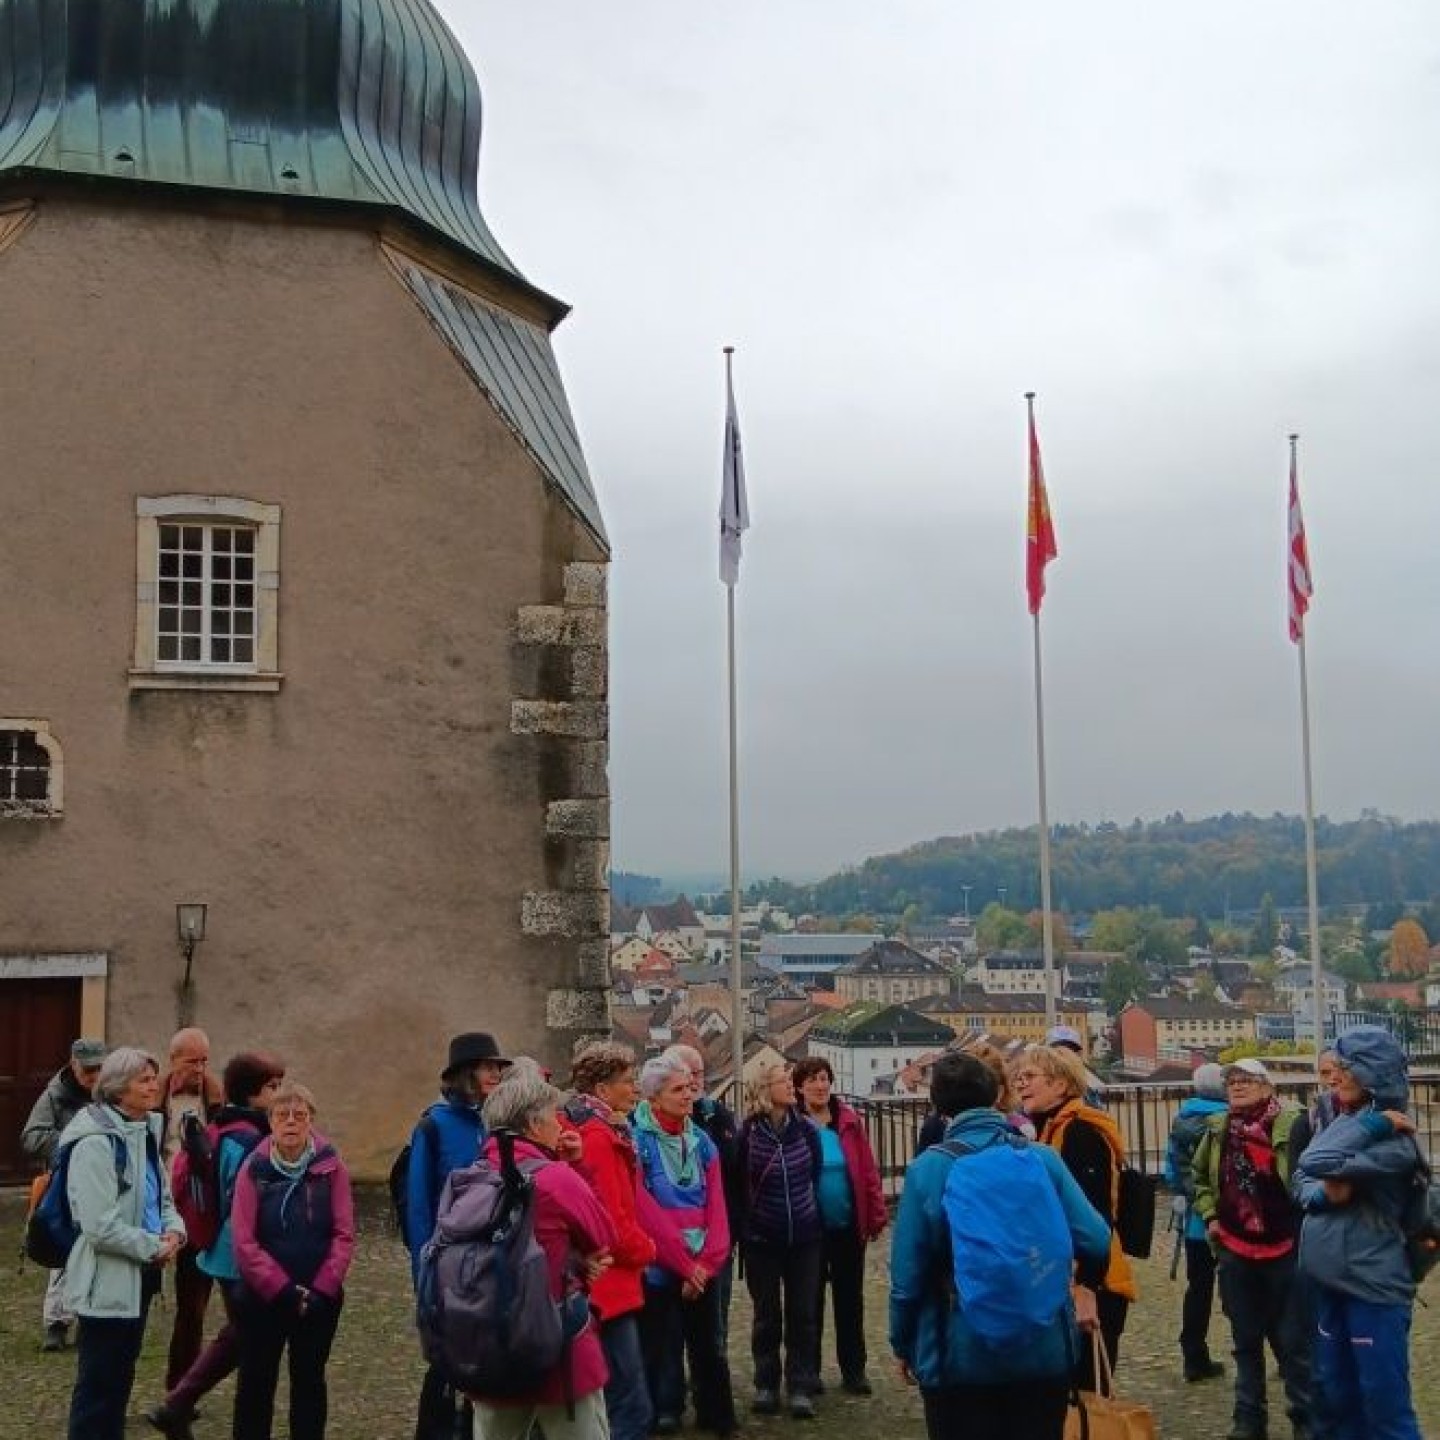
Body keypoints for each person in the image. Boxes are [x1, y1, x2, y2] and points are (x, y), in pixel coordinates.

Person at [889, 1051, 1111, 1440]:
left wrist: (903, 1342)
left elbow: (907, 1277)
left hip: (957, 1350)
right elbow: (1095, 1236)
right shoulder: (1041, 1158)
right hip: (1043, 1347)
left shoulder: (929, 1169)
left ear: (937, 1104)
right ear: (995, 1094)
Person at [463, 1064, 617, 1440]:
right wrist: (576, 1165)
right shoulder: (555, 1178)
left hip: (489, 1341)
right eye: (552, 1117)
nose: (561, 1126)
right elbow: (603, 1234)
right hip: (556, 1344)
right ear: (533, 1125)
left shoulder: (473, 1175)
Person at [144, 1050, 285, 1440]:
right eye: (272, 1087)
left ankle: (177, 1403)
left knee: (242, 1331)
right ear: (252, 1092)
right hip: (241, 1250)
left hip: (222, 1247)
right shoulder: (247, 1139)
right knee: (244, 1333)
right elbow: (250, 1203)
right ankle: (177, 1403)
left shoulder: (221, 1128)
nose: (278, 1095)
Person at [1294, 1025, 1426, 1440]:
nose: (1333, 1076)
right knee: (1334, 1400)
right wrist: (1323, 1199)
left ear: (1373, 1074)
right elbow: (1301, 1177)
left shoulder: (1396, 1140)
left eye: (1345, 1067)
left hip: (1372, 1289)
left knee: (1384, 1410)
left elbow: (1316, 1160)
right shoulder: (1345, 1122)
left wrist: (1374, 1127)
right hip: (1330, 1282)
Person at [61, 1046, 186, 1440]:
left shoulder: (145, 1132)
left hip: (141, 1275)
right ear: (118, 1089)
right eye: (144, 1080)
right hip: (107, 1281)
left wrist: (175, 1231)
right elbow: (99, 1226)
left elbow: (161, 1197)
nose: (154, 1086)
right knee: (98, 1385)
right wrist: (154, 1245)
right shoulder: (95, 1143)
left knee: (120, 1380)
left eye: (154, 1078)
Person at [1192, 1057, 1313, 1440]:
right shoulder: (1217, 1129)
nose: (1237, 1087)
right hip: (1235, 1246)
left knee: (1294, 1342)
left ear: (1267, 1087)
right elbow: (1198, 1177)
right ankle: (1248, 1421)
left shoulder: (1294, 1124)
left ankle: (1306, 1420)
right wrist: (1210, 1217)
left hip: (1286, 1246)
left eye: (1246, 1080)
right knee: (1244, 1340)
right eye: (1231, 1082)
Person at [230, 1080, 355, 1440]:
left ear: (311, 1120)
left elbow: (343, 1234)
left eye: (299, 1115)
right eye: (282, 1114)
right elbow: (244, 1241)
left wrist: (322, 1289)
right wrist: (282, 1289)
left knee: (309, 1381)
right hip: (262, 1297)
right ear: (270, 1121)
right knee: (256, 1382)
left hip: (319, 1298)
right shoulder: (253, 1168)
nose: (290, 1122)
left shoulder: (331, 1167)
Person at [405, 1030, 512, 1440]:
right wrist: (424, 1274)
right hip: (448, 1264)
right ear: (466, 1073)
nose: (494, 1075)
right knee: (448, 1362)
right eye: (488, 1067)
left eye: (498, 1067)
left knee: (487, 1357)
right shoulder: (433, 1127)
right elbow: (419, 1208)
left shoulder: (500, 1121)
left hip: (493, 1261)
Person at [1014, 1042, 1137, 1390]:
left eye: (1031, 1076)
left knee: (1088, 1392)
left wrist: (1086, 1285)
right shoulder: (1050, 1128)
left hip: (1093, 1280)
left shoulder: (1080, 1132)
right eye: (1019, 1077)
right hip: (1067, 1276)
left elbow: (1095, 1216)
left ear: (1061, 1084)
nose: (1021, 1083)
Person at [633, 1052, 736, 1436]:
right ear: (654, 1097)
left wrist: (706, 1265)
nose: (687, 1095)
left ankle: (715, 1412)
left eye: (689, 1088)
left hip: (700, 1267)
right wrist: (683, 1265)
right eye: (678, 1089)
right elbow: (645, 1211)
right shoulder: (637, 1143)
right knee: (662, 1343)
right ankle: (665, 1407)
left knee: (709, 1345)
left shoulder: (703, 1142)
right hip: (661, 1266)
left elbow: (717, 1210)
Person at [563, 1040, 656, 1440]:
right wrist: (647, 1250)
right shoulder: (599, 1138)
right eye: (627, 1081)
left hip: (597, 1285)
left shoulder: (585, 1129)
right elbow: (611, 1219)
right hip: (610, 1286)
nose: (635, 1089)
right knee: (629, 1402)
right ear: (602, 1090)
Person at [792, 1055, 886, 1395]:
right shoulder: (795, 1123)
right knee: (809, 1304)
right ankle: (810, 1371)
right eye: (812, 1079)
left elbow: (867, 1171)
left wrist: (875, 1213)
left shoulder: (848, 1120)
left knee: (850, 1302)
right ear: (799, 1086)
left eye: (824, 1078)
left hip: (847, 1225)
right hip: (810, 1230)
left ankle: (854, 1370)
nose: (820, 1085)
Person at [737, 1060, 823, 1419]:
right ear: (763, 1088)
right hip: (762, 1239)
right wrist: (748, 1230)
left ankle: (801, 1384)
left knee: (803, 1314)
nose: (791, 1085)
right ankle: (766, 1383)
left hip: (804, 1237)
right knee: (767, 1315)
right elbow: (739, 1184)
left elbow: (813, 1175)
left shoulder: (805, 1131)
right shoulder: (748, 1135)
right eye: (783, 1080)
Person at [21, 1036, 107, 1351]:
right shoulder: (54, 1096)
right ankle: (56, 1322)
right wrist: (75, 1141)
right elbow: (31, 1137)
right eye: (89, 1070)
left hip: (100, 1183)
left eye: (100, 1068)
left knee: (97, 1249)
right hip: (62, 1186)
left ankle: (90, 1318)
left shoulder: (109, 1093)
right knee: (62, 1251)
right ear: (74, 1065)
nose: (95, 1076)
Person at [154, 1027, 223, 1393]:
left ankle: (181, 1386)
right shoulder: (153, 1097)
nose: (199, 1068)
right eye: (191, 1060)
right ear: (173, 1059)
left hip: (198, 1209)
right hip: (156, 1206)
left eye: (204, 1061)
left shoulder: (217, 1100)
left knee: (193, 1307)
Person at [663, 1043, 742, 1344]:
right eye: (687, 1074)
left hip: (716, 1238)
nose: (695, 1081)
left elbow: (734, 1175)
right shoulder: (652, 1127)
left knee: (715, 1325)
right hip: (674, 1240)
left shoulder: (718, 1116)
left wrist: (733, 1230)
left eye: (699, 1073)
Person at [1165, 1062, 1228, 1383]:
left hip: (1194, 1221)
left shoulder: (1182, 1120)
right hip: (1232, 1220)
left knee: (1199, 1288)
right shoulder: (1231, 1120)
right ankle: (1276, 1357)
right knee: (1245, 1288)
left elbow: (1172, 1173)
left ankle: (1194, 1356)